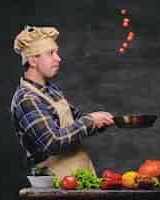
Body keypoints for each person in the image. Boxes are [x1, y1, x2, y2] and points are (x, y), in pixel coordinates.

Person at [10, 25, 115, 179]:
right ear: (33, 60)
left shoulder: (51, 91)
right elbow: (53, 141)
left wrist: (101, 122)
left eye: (57, 53)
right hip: (55, 182)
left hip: (79, 176)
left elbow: (76, 122)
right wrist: (90, 120)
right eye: (51, 53)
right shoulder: (27, 99)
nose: (58, 58)